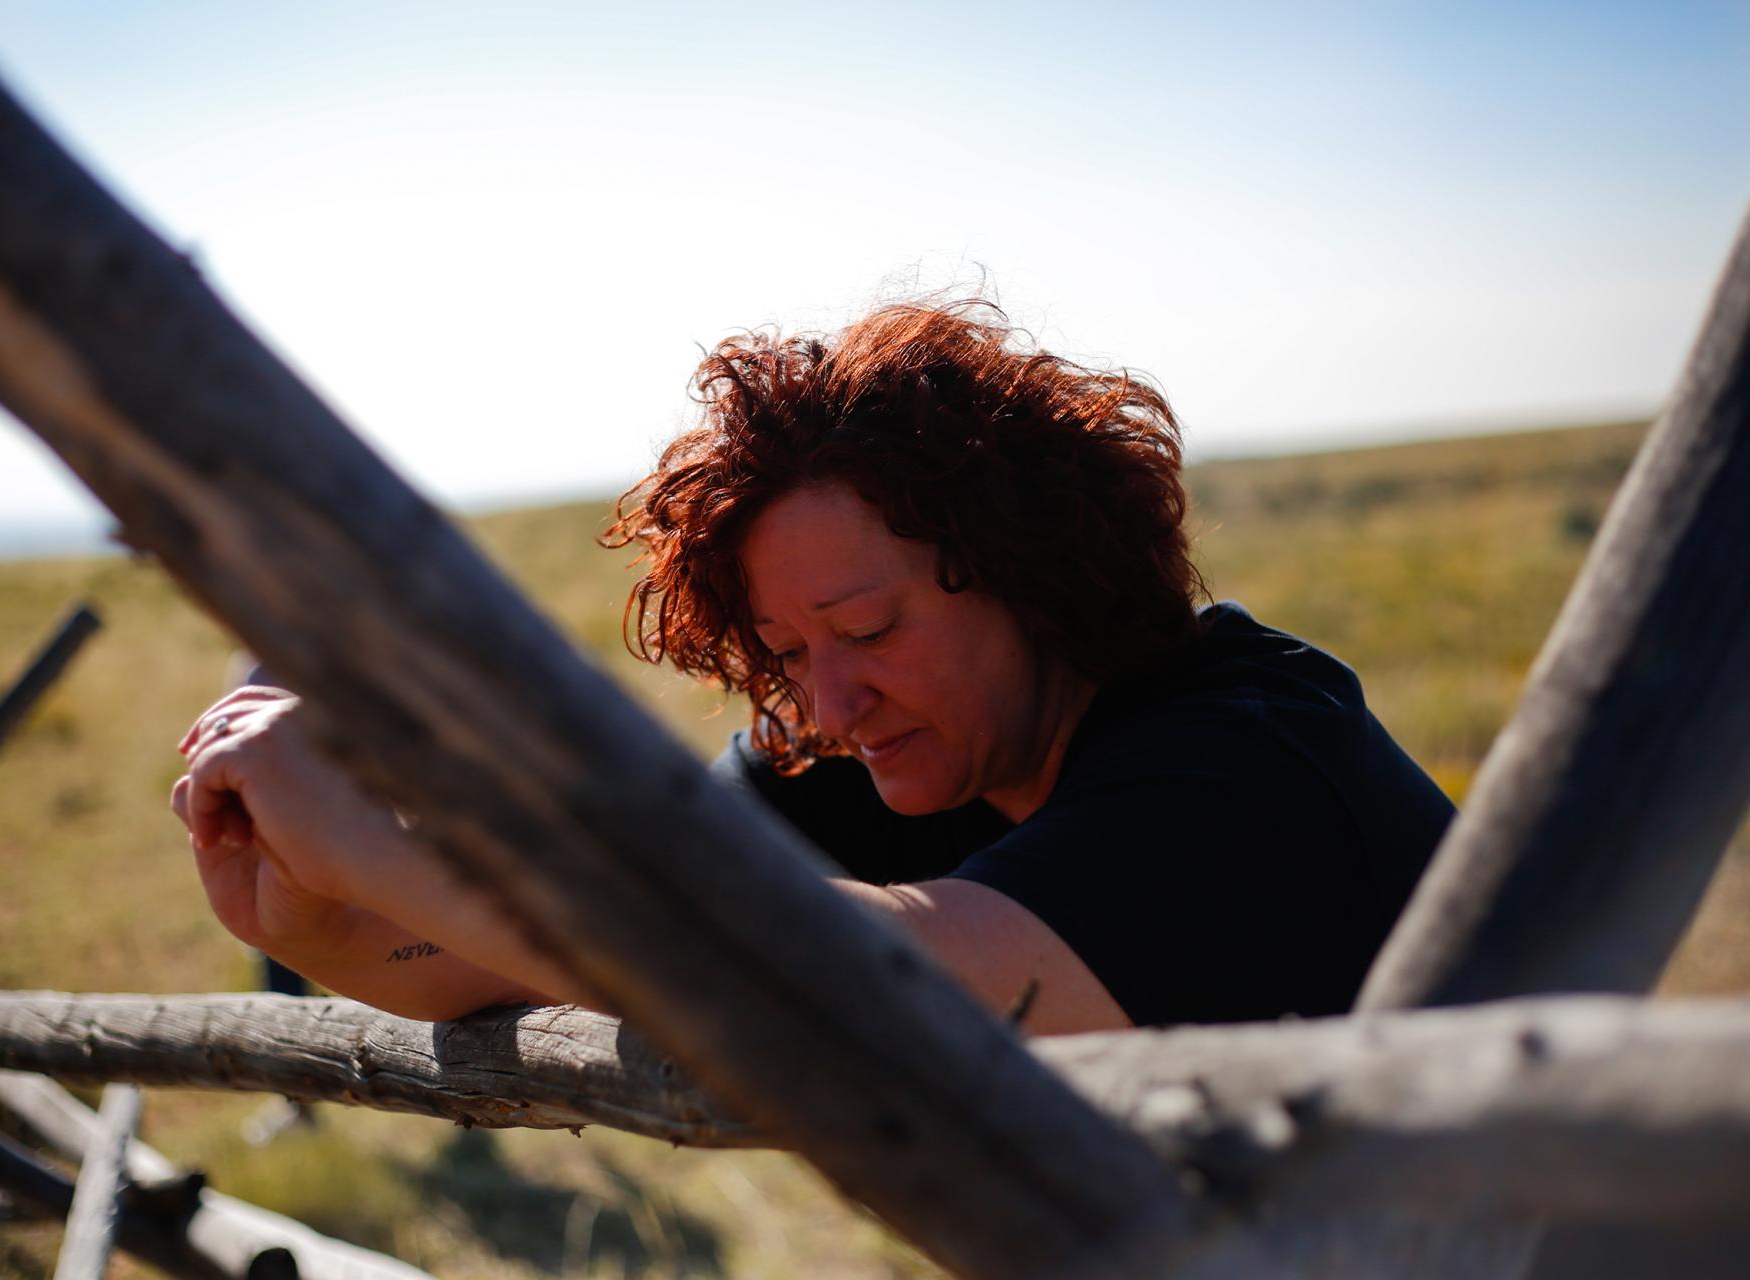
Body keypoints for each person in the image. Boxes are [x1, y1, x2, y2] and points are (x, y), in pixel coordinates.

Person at [171, 299, 1454, 1035]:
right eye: (786, 652)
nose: (829, 703)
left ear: (1038, 570)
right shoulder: (863, 752)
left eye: (870, 628)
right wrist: (307, 907)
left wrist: (378, 849)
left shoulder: (1242, 765)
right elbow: (555, 947)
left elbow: (864, 982)